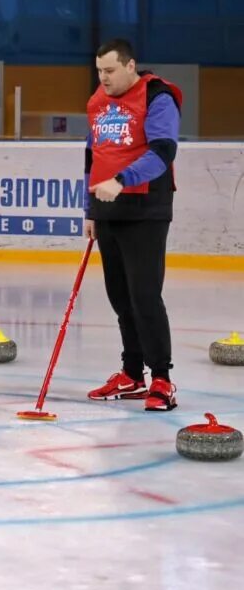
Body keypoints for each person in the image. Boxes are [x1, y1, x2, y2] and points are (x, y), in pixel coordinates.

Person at [84, 38, 182, 412]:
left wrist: (122, 181)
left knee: (144, 295)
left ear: (130, 66)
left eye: (109, 71)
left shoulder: (157, 96)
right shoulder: (98, 102)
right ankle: (131, 374)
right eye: (99, 72)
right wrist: (89, 209)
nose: (103, 79)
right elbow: (92, 156)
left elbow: (163, 152)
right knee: (120, 297)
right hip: (108, 210)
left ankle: (161, 379)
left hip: (146, 208)